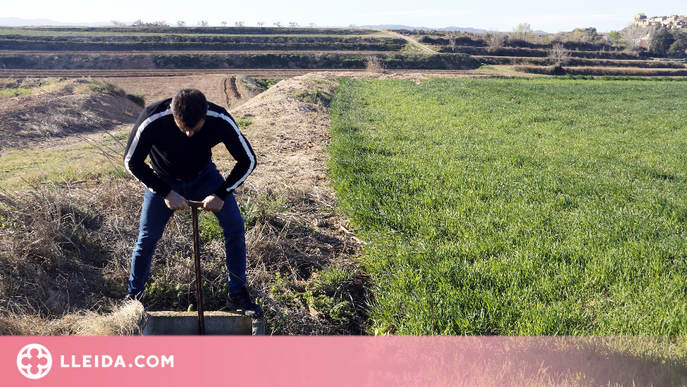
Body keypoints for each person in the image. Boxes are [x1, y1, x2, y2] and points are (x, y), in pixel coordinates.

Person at [123, 88, 262, 316]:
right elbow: (131, 162)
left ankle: (237, 293)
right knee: (146, 238)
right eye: (183, 128)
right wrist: (166, 192)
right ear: (172, 114)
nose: (189, 134)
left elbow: (248, 159)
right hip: (163, 181)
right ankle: (133, 296)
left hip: (204, 177)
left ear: (205, 115)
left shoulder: (219, 119)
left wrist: (221, 193)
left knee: (235, 226)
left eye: (195, 128)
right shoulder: (153, 118)